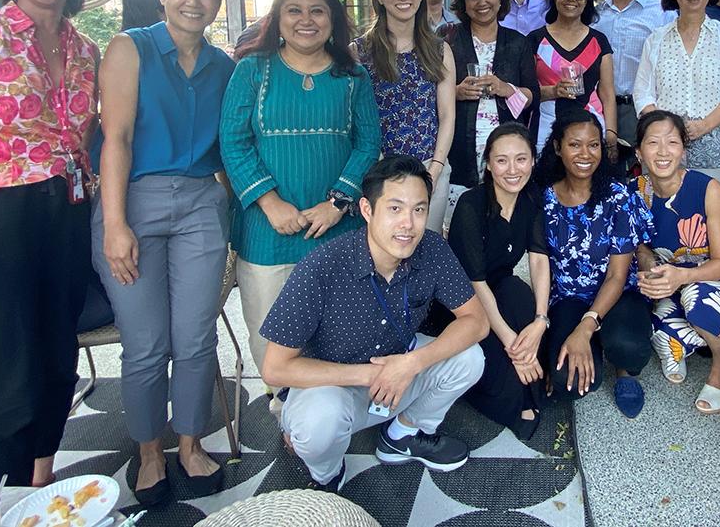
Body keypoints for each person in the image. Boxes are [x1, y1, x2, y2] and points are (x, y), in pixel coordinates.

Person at [0, 0, 118, 487]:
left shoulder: (85, 51)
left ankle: (40, 487)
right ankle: (1, 497)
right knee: (5, 369)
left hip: (65, 216)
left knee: (55, 358)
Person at [91, 0, 232, 505]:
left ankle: (192, 443)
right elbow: (116, 138)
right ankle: (149, 452)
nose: (193, 3)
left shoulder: (223, 65)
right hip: (135, 200)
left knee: (196, 336)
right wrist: (116, 221)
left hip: (200, 202)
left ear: (218, 3)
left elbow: (225, 150)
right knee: (145, 343)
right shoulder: (131, 47)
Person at [260, 156, 489, 490]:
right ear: (367, 210)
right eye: (395, 209)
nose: (408, 224)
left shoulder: (432, 250)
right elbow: (275, 369)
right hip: (333, 384)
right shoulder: (323, 267)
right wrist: (370, 375)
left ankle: (404, 434)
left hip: (400, 369)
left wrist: (411, 363)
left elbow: (476, 321)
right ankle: (327, 475)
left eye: (419, 210)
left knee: (470, 359)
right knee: (317, 423)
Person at [222, 0, 381, 418]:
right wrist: (271, 203)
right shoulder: (252, 70)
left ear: (333, 19)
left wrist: (336, 204)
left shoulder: (353, 77)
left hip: (339, 227)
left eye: (317, 10)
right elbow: (233, 141)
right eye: (294, 9)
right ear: (278, 17)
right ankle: (287, 410)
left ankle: (332, 410)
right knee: (268, 329)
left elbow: (368, 143)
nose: (306, 20)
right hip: (266, 229)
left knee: (336, 324)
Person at [631, 110, 720, 413]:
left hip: (718, 281)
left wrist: (680, 278)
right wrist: (650, 267)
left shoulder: (707, 189)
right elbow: (639, 246)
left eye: (672, 142)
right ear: (639, 152)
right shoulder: (635, 191)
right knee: (655, 331)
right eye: (653, 143)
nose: (663, 152)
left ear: (683, 150)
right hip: (670, 281)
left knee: (698, 304)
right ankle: (694, 337)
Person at [539, 108, 653, 418]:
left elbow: (617, 275)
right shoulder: (543, 199)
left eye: (594, 144)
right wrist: (549, 340)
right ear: (557, 147)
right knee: (568, 384)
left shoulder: (616, 197)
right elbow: (539, 268)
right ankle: (594, 346)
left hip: (617, 293)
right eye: (575, 145)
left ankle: (624, 370)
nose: (585, 153)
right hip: (567, 298)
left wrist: (585, 328)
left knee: (628, 346)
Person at [447, 123, 550, 438]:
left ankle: (525, 375)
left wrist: (540, 321)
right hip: (461, 303)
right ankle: (509, 387)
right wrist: (512, 344)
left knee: (519, 294)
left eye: (521, 159)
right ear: (488, 164)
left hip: (500, 290)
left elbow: (538, 258)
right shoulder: (471, 204)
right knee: (503, 385)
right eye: (502, 160)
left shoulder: (531, 199)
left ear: (533, 160)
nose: (512, 169)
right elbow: (475, 283)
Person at [633, 0, 720, 198]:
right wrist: (667, 131)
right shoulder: (656, 39)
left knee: (712, 224)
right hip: (663, 149)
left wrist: (703, 126)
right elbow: (642, 93)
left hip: (715, 148)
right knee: (660, 219)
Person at [355, 0, 456, 233]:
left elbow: (447, 115)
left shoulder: (439, 50)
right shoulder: (360, 51)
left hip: (428, 166)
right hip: (377, 170)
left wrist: (434, 169)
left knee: (426, 249)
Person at [442, 0, 538, 224]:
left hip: (504, 144)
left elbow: (533, 95)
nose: (481, 2)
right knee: (462, 220)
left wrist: (506, 89)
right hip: (459, 144)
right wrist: (455, 91)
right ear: (463, 3)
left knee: (503, 218)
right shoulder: (447, 39)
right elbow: (428, 89)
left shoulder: (518, 42)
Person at [594, 0, 673, 152]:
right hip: (600, 110)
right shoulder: (594, 16)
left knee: (645, 178)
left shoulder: (664, 13)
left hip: (645, 110)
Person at [529, 0, 618, 155]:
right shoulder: (535, 40)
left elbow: (607, 93)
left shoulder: (599, 41)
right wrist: (553, 91)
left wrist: (610, 133)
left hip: (591, 127)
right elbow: (525, 91)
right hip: (546, 127)